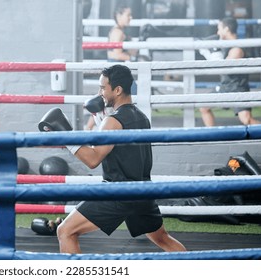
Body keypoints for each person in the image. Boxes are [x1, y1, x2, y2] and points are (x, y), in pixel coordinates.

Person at [39, 65, 186, 254]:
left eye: (102, 88)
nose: (99, 93)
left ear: (117, 90)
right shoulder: (141, 118)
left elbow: (93, 159)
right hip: (142, 192)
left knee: (65, 231)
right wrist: (101, 120)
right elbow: (116, 145)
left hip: (117, 193)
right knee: (163, 239)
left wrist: (67, 138)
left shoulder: (112, 122)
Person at [199, 17, 260, 126]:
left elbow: (224, 68)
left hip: (237, 88)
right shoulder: (225, 46)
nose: (218, 32)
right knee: (204, 107)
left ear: (226, 29)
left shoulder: (236, 48)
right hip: (225, 87)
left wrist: (210, 56)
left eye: (219, 29)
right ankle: (213, 136)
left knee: (247, 120)